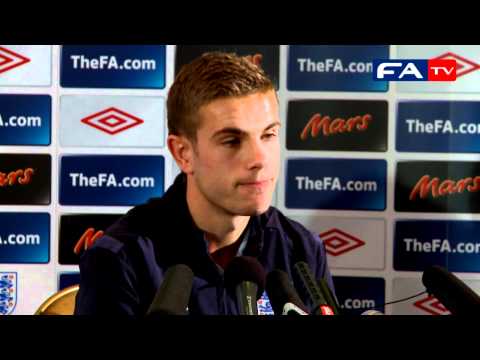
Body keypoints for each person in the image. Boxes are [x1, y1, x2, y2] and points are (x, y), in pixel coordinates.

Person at [74, 52, 336, 315]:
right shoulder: (118, 258)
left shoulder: (302, 249)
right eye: (232, 140)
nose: (259, 159)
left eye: (268, 135)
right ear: (183, 153)